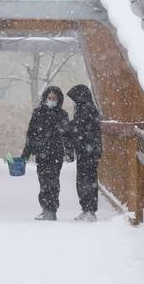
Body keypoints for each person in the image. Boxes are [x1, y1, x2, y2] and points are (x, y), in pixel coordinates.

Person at [20, 85, 69, 221]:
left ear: (59, 100)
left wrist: (69, 151)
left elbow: (67, 134)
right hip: (41, 153)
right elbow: (31, 134)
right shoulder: (38, 113)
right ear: (45, 98)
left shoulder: (62, 114)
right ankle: (45, 208)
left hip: (56, 154)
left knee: (53, 181)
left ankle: (51, 210)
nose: (52, 100)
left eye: (54, 98)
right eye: (49, 98)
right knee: (43, 181)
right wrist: (25, 154)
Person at [66, 84, 101, 222]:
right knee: (84, 180)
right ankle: (86, 209)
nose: (74, 102)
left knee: (86, 180)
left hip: (88, 152)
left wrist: (68, 127)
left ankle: (90, 211)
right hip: (85, 151)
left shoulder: (87, 109)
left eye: (75, 98)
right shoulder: (85, 108)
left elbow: (79, 129)